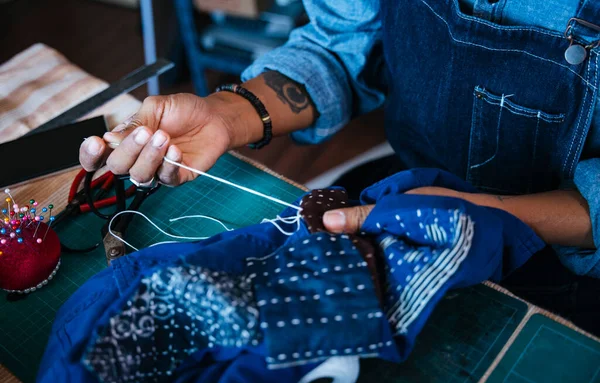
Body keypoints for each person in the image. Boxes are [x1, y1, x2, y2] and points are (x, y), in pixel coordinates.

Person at [80, 0, 600, 333]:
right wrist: (226, 115)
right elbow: (339, 45)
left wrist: (480, 215)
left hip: (571, 264)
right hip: (409, 190)